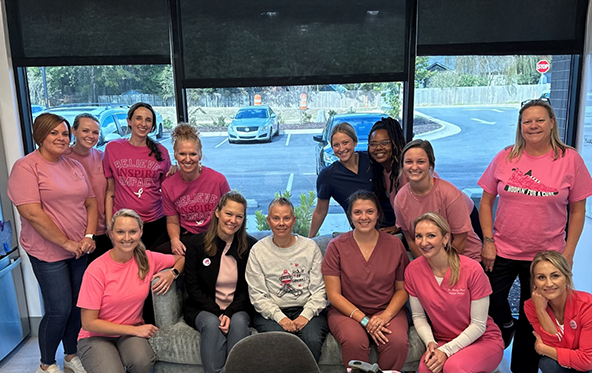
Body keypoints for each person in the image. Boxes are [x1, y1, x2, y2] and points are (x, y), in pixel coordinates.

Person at [478, 99, 592, 372]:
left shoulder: (570, 159)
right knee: (489, 304)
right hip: (503, 250)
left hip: (546, 257)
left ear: (552, 122)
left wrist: (568, 254)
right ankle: (506, 325)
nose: (533, 125)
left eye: (540, 120)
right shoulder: (506, 156)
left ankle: (523, 369)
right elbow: (485, 202)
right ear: (520, 126)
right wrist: (488, 241)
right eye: (527, 121)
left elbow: (578, 211)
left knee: (535, 319)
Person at [8, 113, 98, 373]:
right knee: (58, 309)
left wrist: (88, 237)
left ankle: (71, 356)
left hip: (79, 249)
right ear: (40, 135)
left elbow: (90, 202)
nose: (61, 138)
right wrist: (67, 243)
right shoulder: (26, 167)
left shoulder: (73, 166)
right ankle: (47, 363)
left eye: (64, 133)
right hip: (48, 252)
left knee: (76, 306)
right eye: (54, 133)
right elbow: (32, 213)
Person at [76, 209, 184, 373]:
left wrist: (172, 273)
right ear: (111, 234)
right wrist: (134, 330)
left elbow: (180, 259)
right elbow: (89, 323)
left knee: (143, 361)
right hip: (96, 336)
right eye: (120, 232)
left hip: (128, 334)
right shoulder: (96, 270)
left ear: (141, 232)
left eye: (132, 232)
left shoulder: (147, 259)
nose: (127, 238)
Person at [322, 190, 409, 371]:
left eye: (369, 211)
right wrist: (365, 321)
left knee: (397, 342)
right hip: (347, 311)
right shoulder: (336, 247)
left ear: (378, 214)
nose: (364, 217)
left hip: (386, 309)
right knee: (355, 340)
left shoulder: (395, 245)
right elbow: (333, 295)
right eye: (357, 212)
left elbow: (402, 290)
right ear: (350, 215)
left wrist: (385, 316)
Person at [406, 212, 504, 373]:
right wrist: (431, 343)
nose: (424, 242)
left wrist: (447, 351)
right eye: (419, 236)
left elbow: (479, 325)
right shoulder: (412, 270)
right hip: (443, 340)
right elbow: (419, 316)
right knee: (425, 368)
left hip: (482, 339)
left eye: (431, 235)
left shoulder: (471, 269)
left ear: (445, 238)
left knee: (454, 367)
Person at [246, 197, 328, 362]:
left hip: (307, 308)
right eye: (276, 218)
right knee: (281, 342)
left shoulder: (310, 247)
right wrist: (280, 318)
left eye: (286, 218)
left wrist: (305, 315)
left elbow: (320, 289)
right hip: (271, 311)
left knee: (311, 341)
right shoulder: (258, 251)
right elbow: (257, 295)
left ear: (294, 220)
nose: (281, 223)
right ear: (268, 221)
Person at [184, 191, 257, 373]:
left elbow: (250, 288)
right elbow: (192, 287)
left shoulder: (250, 246)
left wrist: (230, 312)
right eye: (228, 214)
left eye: (239, 216)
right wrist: (218, 312)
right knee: (211, 323)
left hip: (238, 308)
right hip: (204, 308)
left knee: (239, 323)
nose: (233, 220)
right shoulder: (196, 244)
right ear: (217, 212)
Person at [394, 139, 482, 261]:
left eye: (420, 162)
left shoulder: (449, 194)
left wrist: (440, 268)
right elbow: (410, 239)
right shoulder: (400, 199)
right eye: (409, 162)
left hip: (461, 259)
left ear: (431, 164)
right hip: (427, 261)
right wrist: (426, 267)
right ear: (403, 165)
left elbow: (460, 240)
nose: (414, 167)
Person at [103, 102, 172, 250]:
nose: (143, 123)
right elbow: (110, 191)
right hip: (123, 222)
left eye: (148, 120)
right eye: (138, 118)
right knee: (126, 268)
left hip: (154, 222)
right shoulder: (113, 148)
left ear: (153, 125)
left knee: (151, 267)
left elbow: (168, 190)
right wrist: (109, 223)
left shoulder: (162, 152)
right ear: (129, 121)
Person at [308, 121, 396, 237]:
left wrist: (399, 226)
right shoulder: (328, 176)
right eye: (336, 145)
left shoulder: (372, 161)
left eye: (345, 143)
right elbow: (320, 211)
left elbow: (396, 192)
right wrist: (309, 240)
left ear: (355, 142)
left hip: (391, 230)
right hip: (362, 233)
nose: (341, 148)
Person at [154, 123, 230, 255]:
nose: (187, 159)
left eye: (193, 154)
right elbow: (172, 220)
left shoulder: (218, 180)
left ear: (200, 155)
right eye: (182, 154)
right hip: (188, 234)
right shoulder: (168, 185)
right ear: (175, 155)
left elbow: (231, 212)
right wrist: (175, 240)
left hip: (214, 233)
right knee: (154, 253)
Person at [525, 251, 592, 373]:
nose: (549, 283)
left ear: (567, 279)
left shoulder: (587, 305)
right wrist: (541, 310)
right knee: (549, 364)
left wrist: (543, 349)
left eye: (555, 276)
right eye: (541, 277)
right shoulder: (531, 306)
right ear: (534, 282)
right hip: (567, 362)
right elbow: (554, 346)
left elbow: (587, 361)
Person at [65, 113, 110, 264]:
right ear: (74, 131)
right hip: (73, 234)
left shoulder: (103, 157)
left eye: (95, 132)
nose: (91, 136)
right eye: (85, 131)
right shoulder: (62, 158)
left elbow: (111, 192)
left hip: (101, 231)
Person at [367, 117, 407, 213]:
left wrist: (398, 226)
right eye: (373, 144)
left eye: (385, 143)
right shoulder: (385, 171)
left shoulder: (406, 170)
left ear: (395, 144)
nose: (378, 148)